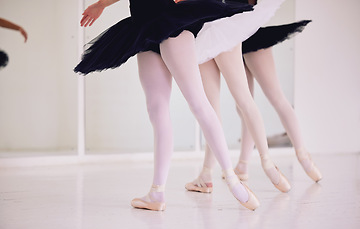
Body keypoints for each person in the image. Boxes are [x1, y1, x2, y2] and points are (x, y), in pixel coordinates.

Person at [75, 0, 260, 211]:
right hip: (146, 27)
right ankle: (157, 192)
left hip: (168, 20)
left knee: (194, 103)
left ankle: (233, 182)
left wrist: (101, 5)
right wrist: (101, 5)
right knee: (159, 109)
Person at [185, 20, 322, 195]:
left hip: (227, 31)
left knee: (260, 100)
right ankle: (241, 166)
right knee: (243, 104)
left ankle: (300, 158)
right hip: (223, 30)